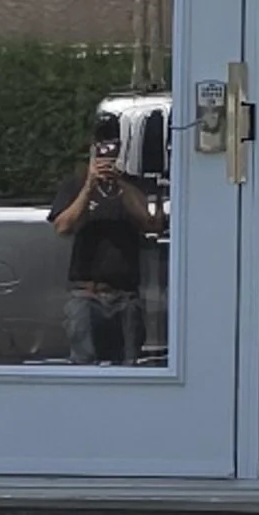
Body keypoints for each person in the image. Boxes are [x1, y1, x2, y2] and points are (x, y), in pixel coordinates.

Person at [49, 122, 162, 365]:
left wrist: (120, 183)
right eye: (102, 148)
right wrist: (89, 187)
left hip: (125, 295)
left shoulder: (134, 186)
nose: (107, 155)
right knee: (83, 363)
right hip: (86, 294)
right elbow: (63, 227)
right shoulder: (75, 185)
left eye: (113, 149)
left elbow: (150, 224)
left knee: (128, 365)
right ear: (93, 150)